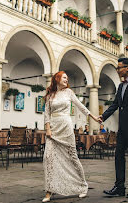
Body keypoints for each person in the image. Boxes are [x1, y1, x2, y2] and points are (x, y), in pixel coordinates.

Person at [42, 71, 100, 202]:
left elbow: (81, 106)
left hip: (66, 127)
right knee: (48, 157)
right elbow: (46, 114)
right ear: (57, 79)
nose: (66, 80)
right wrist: (48, 129)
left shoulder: (69, 93)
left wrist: (94, 117)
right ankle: (49, 190)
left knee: (72, 156)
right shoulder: (50, 95)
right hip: (54, 128)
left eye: (67, 78)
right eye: (64, 77)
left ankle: (82, 186)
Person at [98, 58, 128, 198]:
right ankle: (119, 187)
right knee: (118, 156)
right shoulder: (121, 86)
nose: (117, 70)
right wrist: (103, 116)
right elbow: (115, 104)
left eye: (119, 68)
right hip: (122, 129)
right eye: (117, 68)